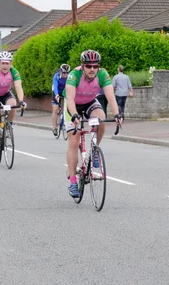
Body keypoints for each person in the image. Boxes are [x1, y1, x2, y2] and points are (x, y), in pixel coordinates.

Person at [64, 50, 123, 198]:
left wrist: (117, 114)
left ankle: (95, 148)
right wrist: (75, 115)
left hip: (90, 102)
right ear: (83, 66)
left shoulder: (103, 75)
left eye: (95, 66)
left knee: (101, 119)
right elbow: (70, 100)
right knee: (74, 139)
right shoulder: (73, 75)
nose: (92, 69)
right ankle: (72, 182)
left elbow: (111, 98)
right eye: (89, 66)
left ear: (98, 67)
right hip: (73, 106)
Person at [0, 51, 26, 160]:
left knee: (13, 104)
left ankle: (9, 125)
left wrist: (21, 101)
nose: (5, 66)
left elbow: (18, 87)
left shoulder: (14, 72)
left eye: (7, 63)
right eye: (3, 63)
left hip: (5, 94)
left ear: (10, 64)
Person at [51, 64, 70, 136]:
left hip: (64, 92)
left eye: (67, 73)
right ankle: (55, 127)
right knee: (55, 109)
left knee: (65, 109)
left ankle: (65, 122)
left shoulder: (69, 77)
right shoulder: (57, 76)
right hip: (56, 92)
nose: (65, 74)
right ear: (61, 71)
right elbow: (55, 86)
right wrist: (56, 95)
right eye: (64, 73)